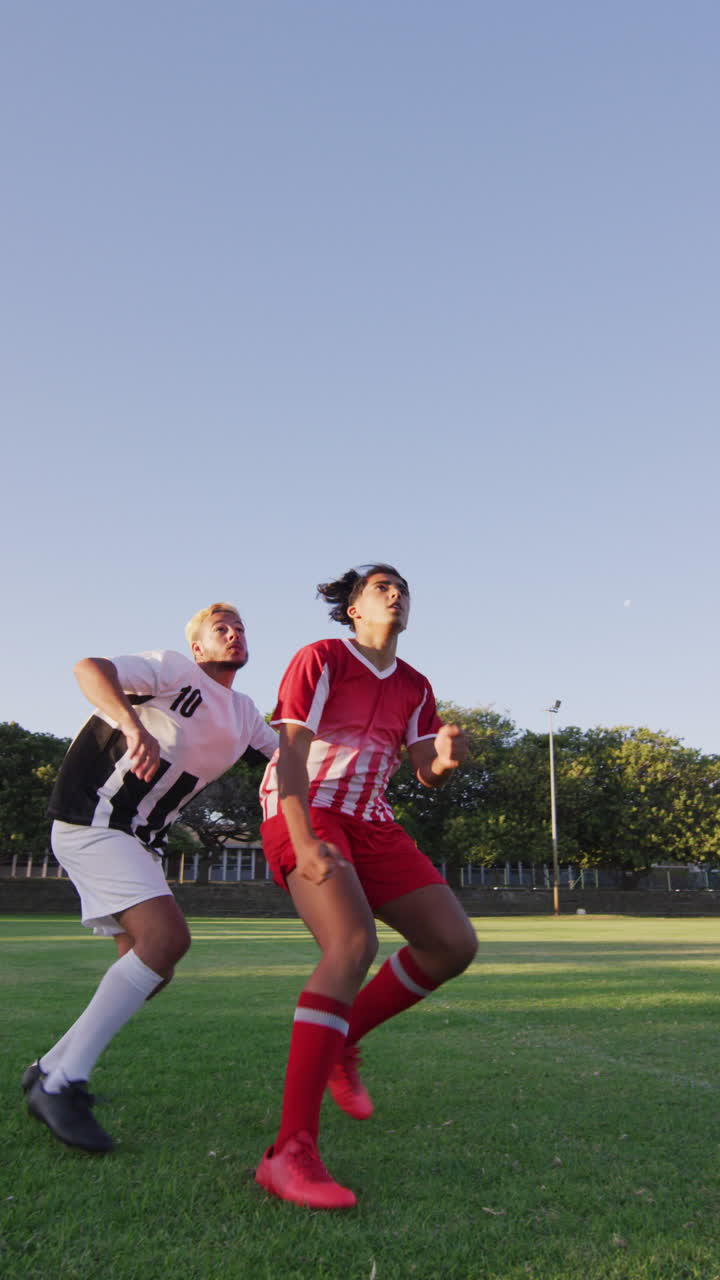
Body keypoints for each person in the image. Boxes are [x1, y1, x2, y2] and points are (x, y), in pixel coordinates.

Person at [255, 564, 478, 1209]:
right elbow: (292, 753)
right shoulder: (322, 658)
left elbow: (422, 772)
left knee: (452, 944)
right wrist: (300, 838)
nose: (395, 593)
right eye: (381, 586)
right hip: (308, 805)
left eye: (402, 587)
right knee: (351, 946)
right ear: (353, 608)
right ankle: (287, 1154)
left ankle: (342, 1043)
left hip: (372, 817)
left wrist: (444, 760)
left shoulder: (416, 684)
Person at [23, 603, 277, 1154]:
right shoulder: (171, 669)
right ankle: (61, 1085)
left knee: (148, 969)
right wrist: (132, 724)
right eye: (221, 628)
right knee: (167, 940)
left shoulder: (245, 712)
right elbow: (89, 667)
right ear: (198, 648)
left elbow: (292, 752)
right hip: (93, 818)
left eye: (240, 627)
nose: (234, 634)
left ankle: (50, 1067)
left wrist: (392, 744)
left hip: (141, 839)